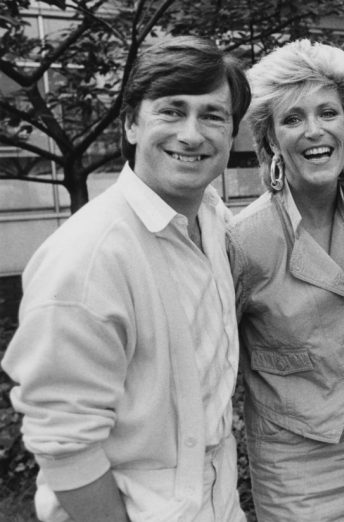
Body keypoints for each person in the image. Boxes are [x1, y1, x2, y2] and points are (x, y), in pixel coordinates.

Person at [2, 36, 251, 522]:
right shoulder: (89, 257)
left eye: (213, 115)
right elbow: (64, 445)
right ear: (131, 124)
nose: (192, 134)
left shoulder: (213, 222)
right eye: (172, 111)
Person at [227, 39, 344, 520]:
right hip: (293, 462)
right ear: (269, 141)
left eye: (328, 112)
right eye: (292, 118)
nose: (314, 130)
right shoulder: (245, 239)